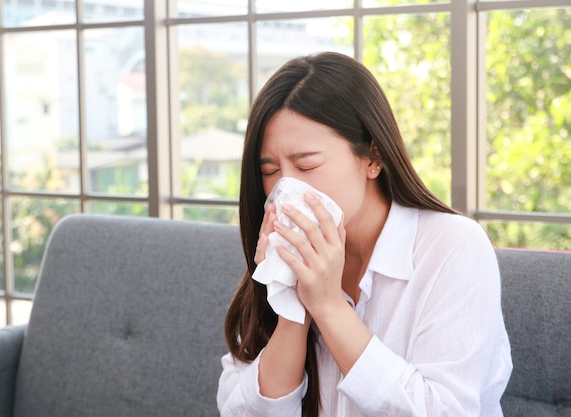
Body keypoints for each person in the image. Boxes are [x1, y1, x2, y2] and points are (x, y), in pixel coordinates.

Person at [217, 51, 512, 417]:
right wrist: (293, 304)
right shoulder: (277, 261)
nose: (286, 187)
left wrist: (327, 305)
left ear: (372, 157)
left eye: (306, 164)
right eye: (271, 170)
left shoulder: (452, 247)